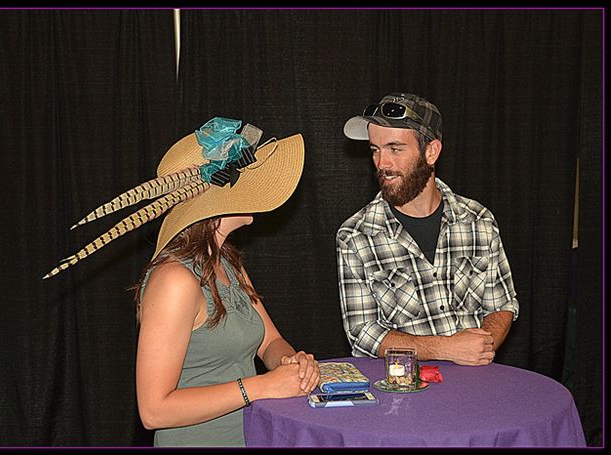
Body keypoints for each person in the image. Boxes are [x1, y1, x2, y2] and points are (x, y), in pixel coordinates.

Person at [44, 117, 320, 447]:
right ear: (214, 201)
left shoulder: (228, 262)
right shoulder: (175, 280)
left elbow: (270, 342)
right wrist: (261, 387)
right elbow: (154, 410)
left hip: (250, 437)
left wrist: (291, 364)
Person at [338, 93, 519, 366]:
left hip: (476, 385)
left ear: (431, 152)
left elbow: (501, 305)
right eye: (375, 149)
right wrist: (447, 348)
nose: (382, 163)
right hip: (401, 393)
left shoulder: (478, 220)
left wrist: (481, 345)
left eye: (395, 149)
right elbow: (363, 333)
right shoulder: (356, 236)